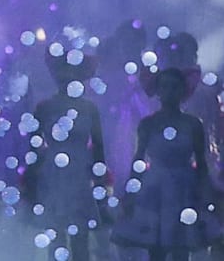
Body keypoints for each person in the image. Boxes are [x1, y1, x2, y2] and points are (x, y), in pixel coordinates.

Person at [112, 67, 223, 260]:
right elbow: (139, 159)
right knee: (156, 245)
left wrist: (205, 191)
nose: (169, 92)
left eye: (174, 87)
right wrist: (131, 191)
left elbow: (201, 161)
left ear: (182, 91)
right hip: (154, 187)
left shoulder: (193, 124)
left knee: (182, 243)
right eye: (165, 86)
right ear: (158, 90)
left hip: (184, 187)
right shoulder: (148, 123)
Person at [23, 44, 109, 261]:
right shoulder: (44, 107)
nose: (65, 75)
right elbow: (33, 147)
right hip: (53, 173)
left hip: (80, 172)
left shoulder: (89, 108)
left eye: (69, 69)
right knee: (55, 236)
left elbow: (98, 148)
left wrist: (100, 181)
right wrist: (31, 180)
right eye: (61, 69)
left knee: (81, 237)